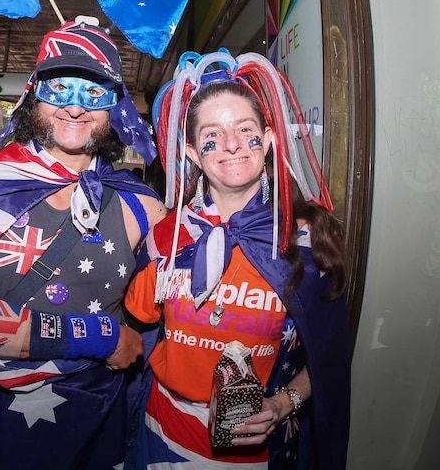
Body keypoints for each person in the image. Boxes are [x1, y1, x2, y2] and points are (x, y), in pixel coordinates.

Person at [0, 16, 166, 469]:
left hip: (88, 425)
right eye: (59, 88)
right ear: (33, 94)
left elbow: (175, 310)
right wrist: (100, 335)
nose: (75, 108)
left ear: (115, 107)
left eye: (93, 91)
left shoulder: (142, 208)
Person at [123, 51, 351, 469]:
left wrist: (284, 403)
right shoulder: (169, 235)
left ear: (267, 140)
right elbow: (137, 329)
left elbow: (330, 354)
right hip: (159, 436)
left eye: (244, 130)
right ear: (192, 153)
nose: (230, 144)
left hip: (251, 454)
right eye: (212, 135)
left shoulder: (304, 238)